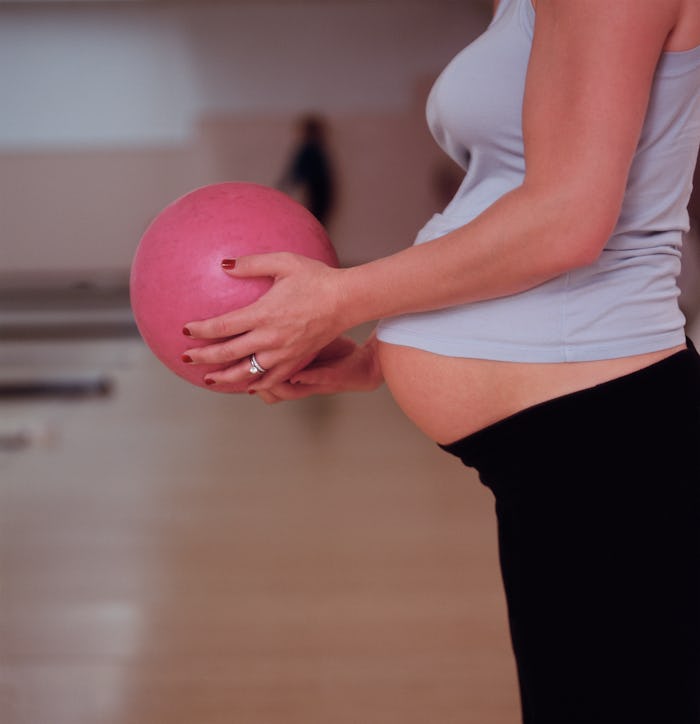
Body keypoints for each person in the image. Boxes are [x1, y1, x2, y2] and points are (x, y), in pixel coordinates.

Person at [182, 2, 700, 722]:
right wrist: (380, 354)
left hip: (605, 442)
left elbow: (567, 221)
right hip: (565, 449)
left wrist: (341, 299)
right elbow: (507, 200)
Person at [277, 114, 336, 227]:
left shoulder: (310, 149)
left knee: (314, 224)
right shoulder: (316, 149)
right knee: (316, 223)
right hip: (320, 194)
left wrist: (281, 188)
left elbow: (296, 172)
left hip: (318, 193)